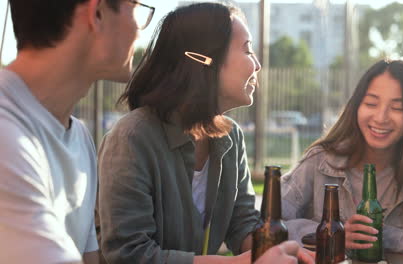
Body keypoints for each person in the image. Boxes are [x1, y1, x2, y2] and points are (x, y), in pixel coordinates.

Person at [97, 2, 314, 264]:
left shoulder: (231, 138)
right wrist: (238, 263)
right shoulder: (132, 137)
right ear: (205, 61)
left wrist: (286, 252)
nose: (257, 64)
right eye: (247, 49)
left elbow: (242, 224)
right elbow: (128, 254)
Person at [0, 0, 152, 263]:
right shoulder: (6, 137)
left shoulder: (79, 136)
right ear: (98, 13)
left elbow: (86, 254)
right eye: (137, 8)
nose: (142, 30)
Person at [281, 59, 403, 259]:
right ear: (356, 106)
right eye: (371, 103)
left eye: (397, 108)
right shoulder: (320, 161)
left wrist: (388, 237)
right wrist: (333, 234)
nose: (381, 117)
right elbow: (269, 224)